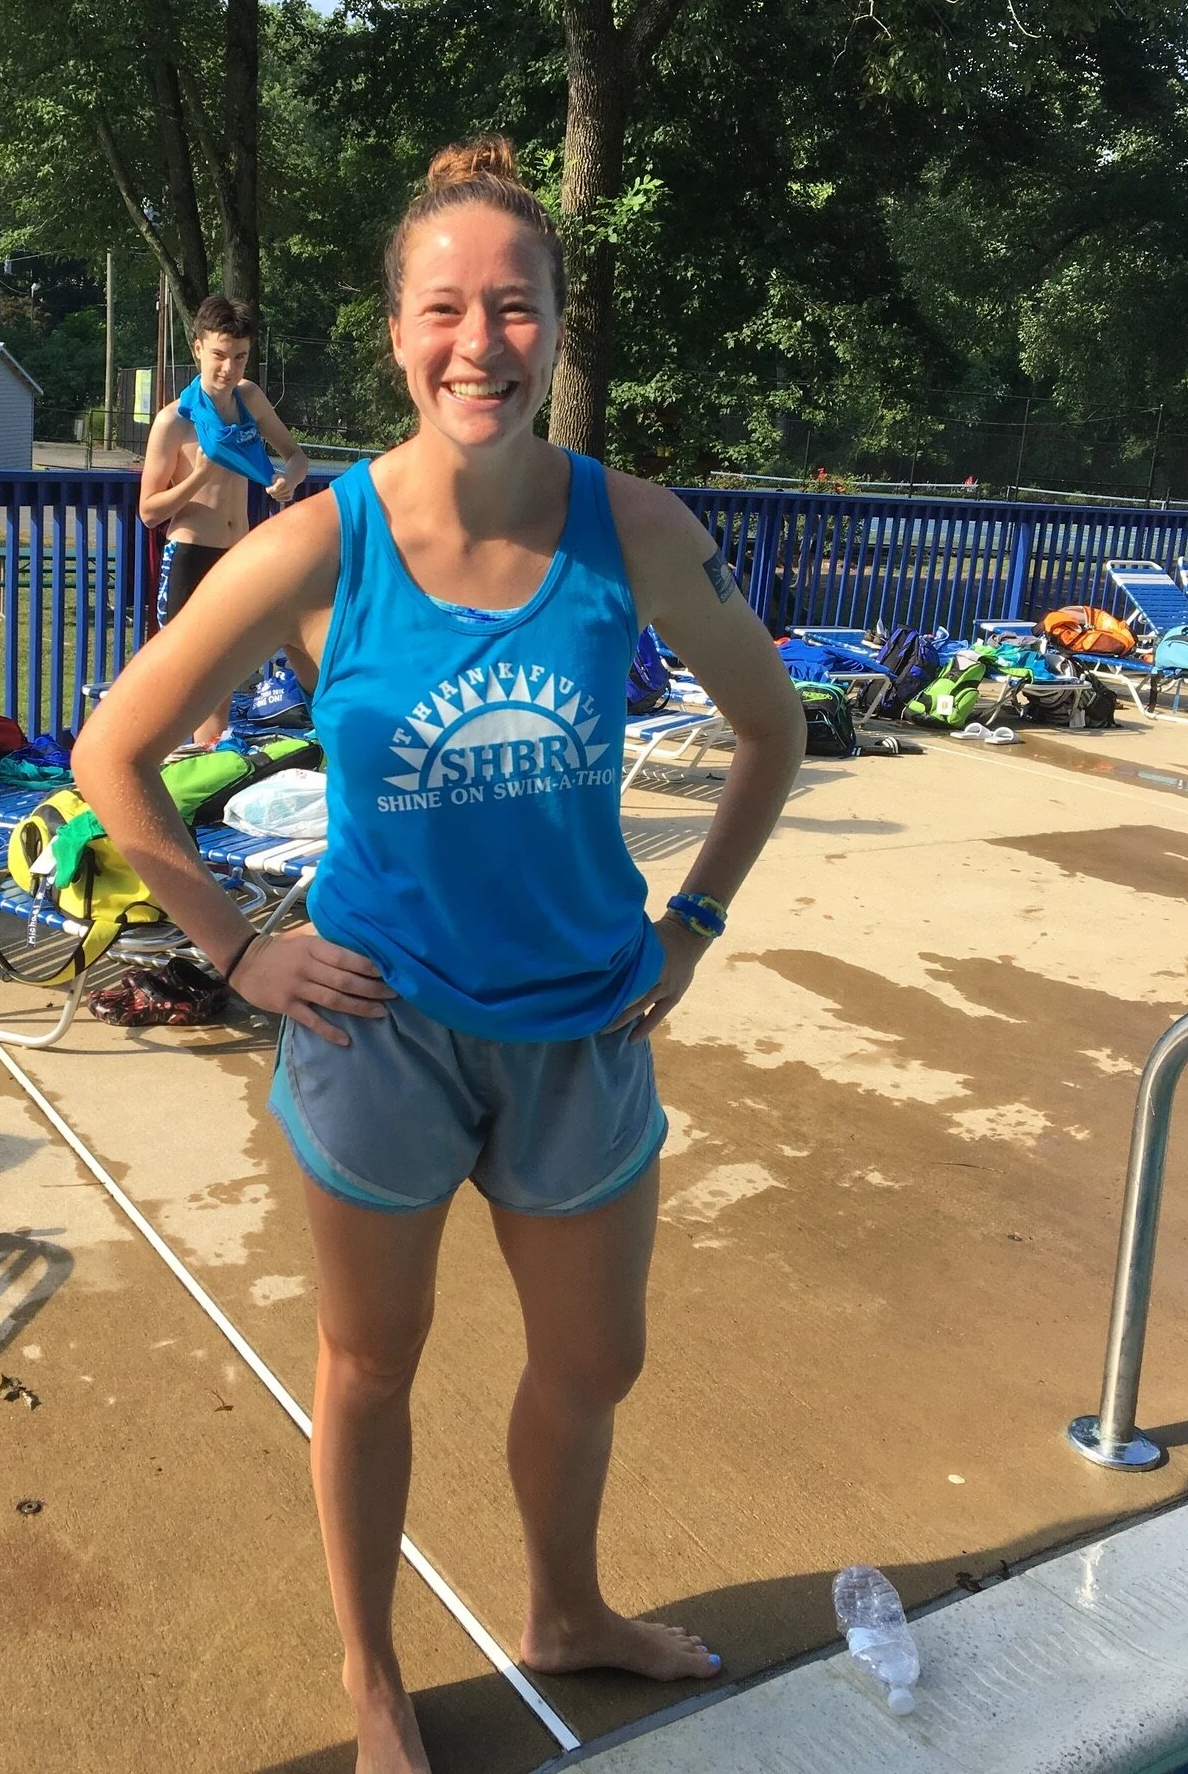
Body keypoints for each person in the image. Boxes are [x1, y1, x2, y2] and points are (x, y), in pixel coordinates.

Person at [73, 139, 805, 1773]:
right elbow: (112, 754)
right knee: (368, 1363)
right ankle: (373, 1678)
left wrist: (691, 920)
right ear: (397, 331)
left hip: (581, 1019)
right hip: (377, 1024)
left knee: (595, 1357)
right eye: (445, 309)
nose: (481, 343)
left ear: (556, 323)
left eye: (515, 306)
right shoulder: (313, 547)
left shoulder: (632, 530)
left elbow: (771, 727)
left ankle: (565, 1608)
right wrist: (235, 950)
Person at [139, 290, 309, 741]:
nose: (228, 369)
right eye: (218, 355)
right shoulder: (175, 421)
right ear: (197, 348)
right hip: (191, 554)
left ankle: (209, 760)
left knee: (222, 678)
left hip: (237, 555)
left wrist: (289, 479)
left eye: (239, 357)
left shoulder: (249, 398)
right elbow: (149, 512)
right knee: (184, 679)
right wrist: (199, 476)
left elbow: (296, 455)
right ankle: (163, 762)